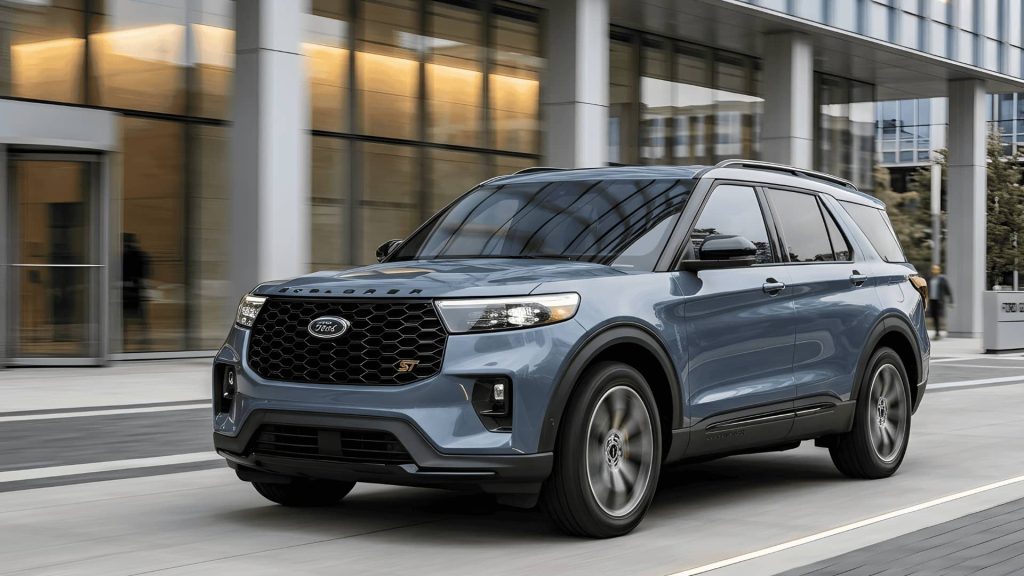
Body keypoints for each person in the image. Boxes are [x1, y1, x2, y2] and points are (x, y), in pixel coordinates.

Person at [928, 264, 953, 340]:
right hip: (932, 300)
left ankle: (938, 332)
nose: (934, 271)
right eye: (933, 269)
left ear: (939, 270)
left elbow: (948, 290)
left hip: (939, 301)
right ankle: (937, 332)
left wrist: (951, 301)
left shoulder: (942, 279)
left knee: (938, 316)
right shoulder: (930, 279)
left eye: (936, 269)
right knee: (934, 316)